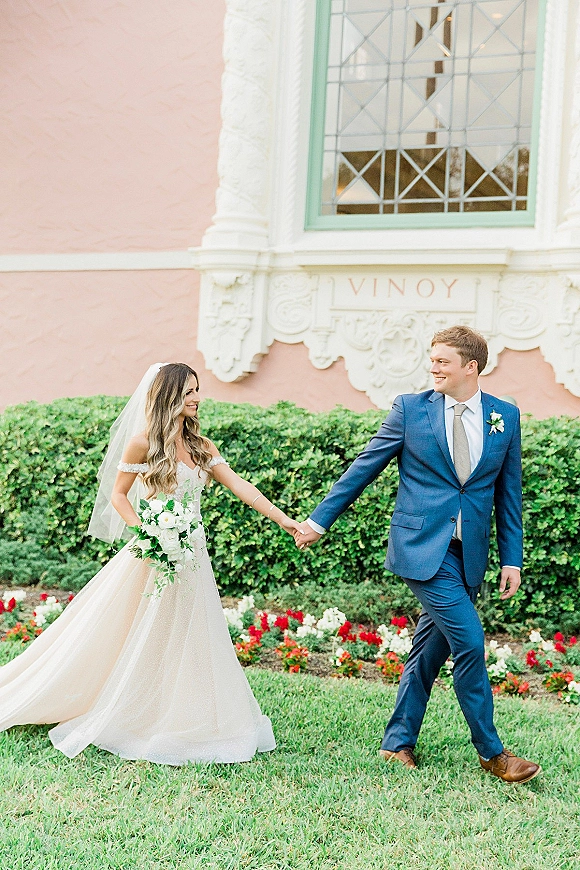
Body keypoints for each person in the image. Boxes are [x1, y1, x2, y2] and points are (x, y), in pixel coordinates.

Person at [0, 362, 298, 765]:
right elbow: (119, 497)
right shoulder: (142, 443)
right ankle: (120, 703)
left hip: (193, 553)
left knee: (193, 634)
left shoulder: (201, 446)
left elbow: (240, 485)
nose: (197, 397)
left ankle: (186, 712)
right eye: (190, 390)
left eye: (198, 390)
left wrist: (284, 520)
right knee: (130, 631)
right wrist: (149, 532)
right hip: (154, 552)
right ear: (169, 394)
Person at [293, 326, 541, 784]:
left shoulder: (504, 416)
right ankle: (493, 754)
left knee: (428, 652)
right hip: (421, 550)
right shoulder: (410, 410)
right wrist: (318, 520)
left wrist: (512, 558)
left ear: (471, 366)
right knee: (469, 641)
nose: (433, 368)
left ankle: (396, 743)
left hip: (468, 556)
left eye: (443, 361)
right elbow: (364, 467)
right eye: (432, 360)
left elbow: (508, 493)